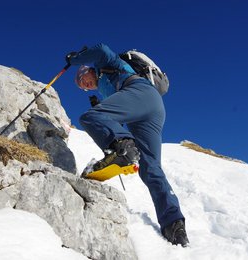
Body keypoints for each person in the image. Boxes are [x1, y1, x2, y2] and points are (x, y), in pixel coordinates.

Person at [66, 43, 189, 247]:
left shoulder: (106, 64)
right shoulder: (106, 89)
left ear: (88, 70)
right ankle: (174, 226)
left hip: (140, 92)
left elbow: (101, 49)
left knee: (89, 117)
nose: (85, 85)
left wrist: (74, 59)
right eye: (82, 87)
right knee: (151, 168)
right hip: (151, 109)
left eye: (83, 79)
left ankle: (124, 149)